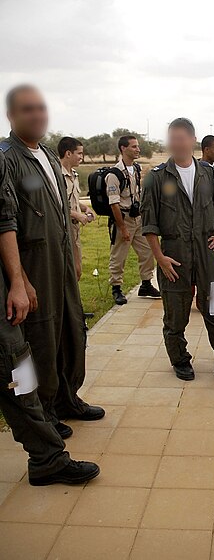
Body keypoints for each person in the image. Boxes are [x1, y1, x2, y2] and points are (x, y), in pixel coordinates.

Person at [1, 84, 105, 440]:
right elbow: (6, 222)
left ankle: (67, 398)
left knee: (71, 331)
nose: (37, 115)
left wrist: (74, 254)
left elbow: (62, 212)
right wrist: (19, 279)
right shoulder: (7, 157)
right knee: (41, 339)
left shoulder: (45, 154)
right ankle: (43, 412)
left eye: (41, 108)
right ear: (11, 115)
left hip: (61, 262)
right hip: (34, 266)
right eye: (27, 109)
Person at [0, 149, 100, 486]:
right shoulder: (10, 158)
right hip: (26, 272)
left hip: (28, 275)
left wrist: (17, 278)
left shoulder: (32, 158)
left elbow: (5, 221)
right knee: (19, 369)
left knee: (20, 369)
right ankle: (47, 451)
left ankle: (47, 451)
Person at [140, 117, 214, 383]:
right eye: (173, 138)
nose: (178, 143)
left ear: (192, 140)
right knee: (176, 314)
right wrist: (159, 257)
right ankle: (180, 360)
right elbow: (148, 222)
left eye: (183, 138)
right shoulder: (156, 177)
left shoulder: (207, 172)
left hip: (207, 253)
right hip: (173, 255)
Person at [106, 135, 160, 305]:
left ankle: (146, 284)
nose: (138, 149)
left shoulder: (136, 168)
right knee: (119, 255)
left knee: (147, 251)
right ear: (123, 148)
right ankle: (116, 288)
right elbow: (114, 204)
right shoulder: (114, 174)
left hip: (137, 218)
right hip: (123, 218)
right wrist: (122, 227)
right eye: (134, 146)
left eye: (138, 146)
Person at [58, 136, 96, 281]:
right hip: (63, 230)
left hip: (75, 231)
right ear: (68, 153)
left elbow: (71, 200)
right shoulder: (57, 176)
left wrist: (84, 208)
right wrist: (78, 216)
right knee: (69, 272)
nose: (82, 157)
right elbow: (56, 205)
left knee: (77, 271)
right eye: (79, 153)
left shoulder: (74, 175)